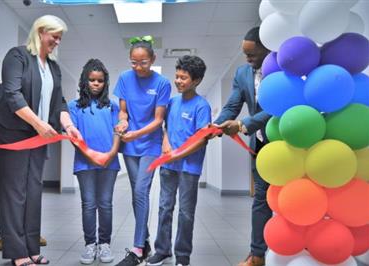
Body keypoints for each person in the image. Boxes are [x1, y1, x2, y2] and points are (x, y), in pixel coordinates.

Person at [0, 15, 82, 266]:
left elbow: (60, 103)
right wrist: (39, 124)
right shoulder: (18, 56)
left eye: (60, 38)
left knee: (33, 192)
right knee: (14, 193)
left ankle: (31, 248)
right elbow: (12, 94)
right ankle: (17, 253)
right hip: (15, 135)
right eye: (55, 36)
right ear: (41, 31)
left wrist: (69, 126)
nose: (57, 42)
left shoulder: (52, 67)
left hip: (37, 137)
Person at [210, 26, 271, 266]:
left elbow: (278, 107)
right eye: (245, 54)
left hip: (291, 143)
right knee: (261, 199)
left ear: (268, 48)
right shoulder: (242, 73)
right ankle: (257, 255)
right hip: (262, 145)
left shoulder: (284, 72)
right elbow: (232, 105)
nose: (247, 59)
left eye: (252, 54)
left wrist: (244, 125)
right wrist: (214, 127)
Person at [146, 55, 211, 266]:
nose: (178, 81)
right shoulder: (172, 102)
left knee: (185, 212)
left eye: (183, 78)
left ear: (197, 80)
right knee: (165, 207)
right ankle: (162, 250)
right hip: (168, 166)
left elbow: (202, 140)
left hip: (189, 169)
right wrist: (166, 144)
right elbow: (165, 128)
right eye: (177, 76)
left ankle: (182, 255)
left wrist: (178, 154)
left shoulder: (202, 106)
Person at [113, 36, 171, 266]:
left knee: (140, 191)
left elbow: (158, 120)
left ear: (153, 59)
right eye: (133, 63)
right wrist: (123, 123)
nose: (138, 67)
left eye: (143, 62)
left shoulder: (162, 83)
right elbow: (123, 112)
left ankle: (137, 248)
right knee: (138, 195)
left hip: (150, 144)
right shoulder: (125, 79)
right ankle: (144, 242)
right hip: (130, 145)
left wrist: (136, 134)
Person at [68, 59, 121, 265]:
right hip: (85, 163)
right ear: (85, 81)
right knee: (89, 204)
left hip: (109, 162)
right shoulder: (74, 107)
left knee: (105, 204)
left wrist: (110, 154)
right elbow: (74, 137)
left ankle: (104, 244)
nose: (96, 84)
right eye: (92, 80)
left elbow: (118, 132)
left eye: (100, 81)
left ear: (105, 83)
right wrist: (91, 156)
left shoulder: (112, 106)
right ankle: (90, 244)